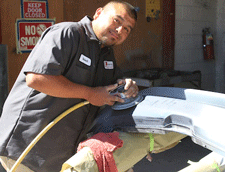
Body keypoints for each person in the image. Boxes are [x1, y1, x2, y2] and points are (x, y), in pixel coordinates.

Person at [0, 1, 139, 171]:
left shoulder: (106, 53)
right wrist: (90, 94)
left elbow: (109, 88)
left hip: (62, 152)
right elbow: (36, 79)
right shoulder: (67, 33)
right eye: (117, 21)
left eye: (127, 29)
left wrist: (126, 85)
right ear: (98, 13)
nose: (120, 31)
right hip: (28, 145)